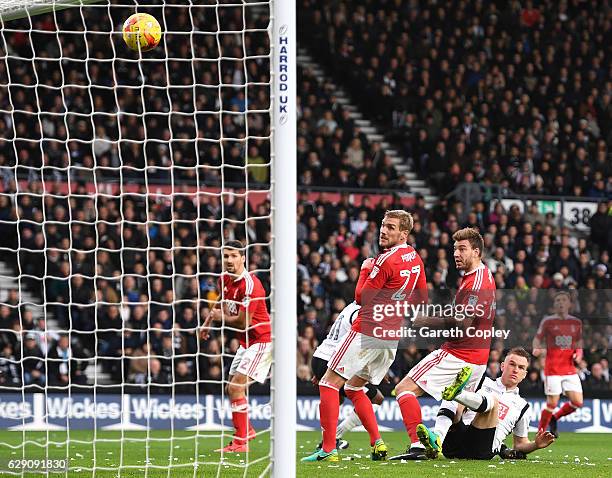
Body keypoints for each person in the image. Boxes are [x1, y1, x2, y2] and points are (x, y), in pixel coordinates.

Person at [302, 210, 427, 462]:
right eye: (383, 225)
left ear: (404, 233)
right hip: (390, 337)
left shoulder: (384, 260)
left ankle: (328, 449)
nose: (384, 230)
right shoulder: (415, 259)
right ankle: (377, 442)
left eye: (391, 227)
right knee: (354, 387)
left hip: (366, 331)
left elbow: (361, 298)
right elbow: (422, 298)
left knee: (328, 383)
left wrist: (364, 270)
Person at [392, 227, 496, 460]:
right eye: (454, 249)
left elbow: (462, 324)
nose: (456, 254)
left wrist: (424, 321)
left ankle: (417, 445)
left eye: (462, 249)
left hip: (459, 353)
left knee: (404, 390)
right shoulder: (482, 275)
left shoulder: (475, 283)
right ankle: (437, 436)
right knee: (454, 403)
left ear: (476, 251)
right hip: (479, 357)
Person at [200, 240, 271, 453]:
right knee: (231, 389)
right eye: (226, 256)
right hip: (245, 342)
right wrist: (207, 323)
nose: (229, 260)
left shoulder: (251, 285)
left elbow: (244, 321)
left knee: (235, 388)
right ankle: (246, 432)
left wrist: (220, 318)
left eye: (233, 256)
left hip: (262, 341)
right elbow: (222, 300)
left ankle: (241, 443)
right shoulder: (224, 278)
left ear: (243, 258)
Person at [311, 262, 385, 451]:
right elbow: (358, 341)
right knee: (374, 398)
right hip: (331, 358)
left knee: (335, 397)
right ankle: (335, 438)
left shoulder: (350, 307)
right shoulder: (361, 312)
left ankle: (328, 440)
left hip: (321, 356)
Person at [440, 347, 555, 459]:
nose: (515, 370)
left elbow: (520, 444)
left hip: (481, 449)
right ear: (502, 366)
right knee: (459, 393)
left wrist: (536, 445)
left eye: (521, 367)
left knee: (493, 402)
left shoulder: (522, 406)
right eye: (512, 364)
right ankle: (438, 436)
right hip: (454, 443)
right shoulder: (482, 381)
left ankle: (457, 394)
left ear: (524, 374)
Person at [533, 291, 583, 438]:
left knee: (577, 402)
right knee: (552, 404)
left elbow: (579, 344)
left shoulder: (576, 323)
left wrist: (578, 355)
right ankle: (540, 432)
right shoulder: (548, 322)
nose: (561, 303)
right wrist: (537, 348)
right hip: (553, 369)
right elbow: (537, 339)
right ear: (554, 305)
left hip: (570, 368)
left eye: (563, 300)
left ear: (569, 304)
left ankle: (555, 418)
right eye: (558, 300)